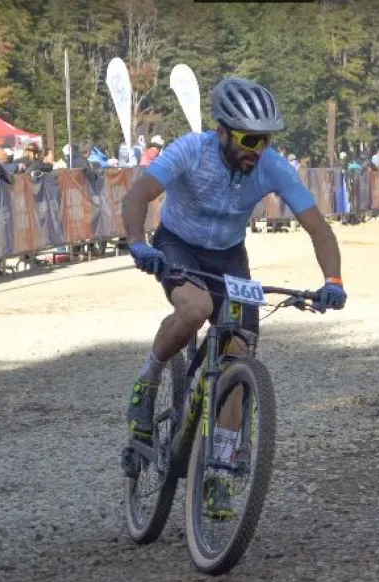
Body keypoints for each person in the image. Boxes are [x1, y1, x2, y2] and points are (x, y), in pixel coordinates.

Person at [120, 76, 347, 518]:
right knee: (196, 308)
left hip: (228, 256)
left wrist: (333, 280)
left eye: (264, 140)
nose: (256, 149)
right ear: (222, 131)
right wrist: (137, 241)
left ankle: (220, 469)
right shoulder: (191, 149)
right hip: (178, 245)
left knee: (238, 348)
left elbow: (319, 228)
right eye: (247, 138)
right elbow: (138, 195)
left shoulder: (271, 165)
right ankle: (148, 379)